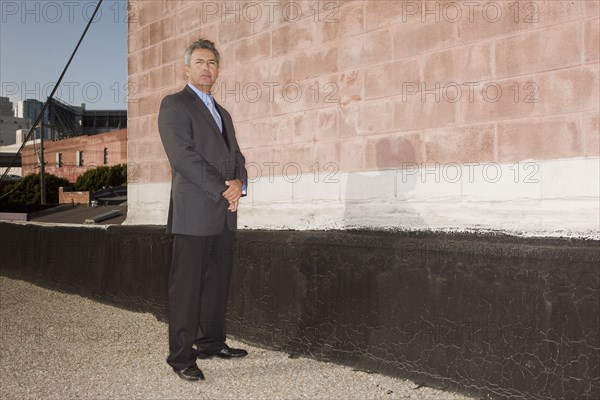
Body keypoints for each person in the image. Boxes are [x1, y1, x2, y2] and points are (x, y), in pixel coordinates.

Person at [158, 38, 248, 382]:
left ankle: (211, 342)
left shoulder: (222, 113)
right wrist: (224, 188)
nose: (206, 68)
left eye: (212, 62)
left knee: (216, 284)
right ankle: (181, 356)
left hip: (224, 214)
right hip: (194, 214)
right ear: (186, 68)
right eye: (199, 62)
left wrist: (241, 183)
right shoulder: (174, 105)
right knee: (187, 288)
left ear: (218, 69)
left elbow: (236, 156)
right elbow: (182, 157)